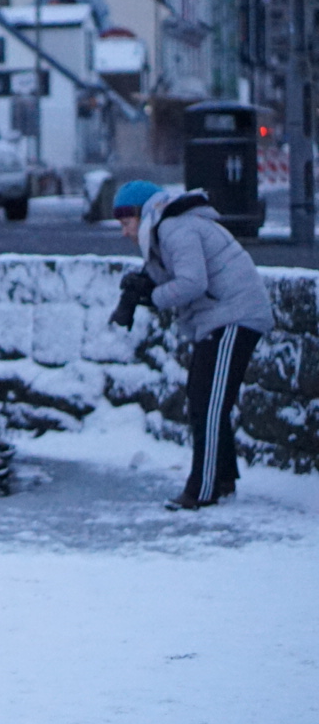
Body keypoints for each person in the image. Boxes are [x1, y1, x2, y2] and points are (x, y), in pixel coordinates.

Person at [110, 179, 274, 510]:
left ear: (143, 215)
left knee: (210, 402)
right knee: (201, 398)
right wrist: (142, 285)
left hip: (236, 315)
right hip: (219, 317)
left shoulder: (174, 229)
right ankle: (223, 479)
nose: (124, 232)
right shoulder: (166, 232)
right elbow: (177, 275)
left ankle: (203, 489)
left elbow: (192, 282)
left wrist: (153, 296)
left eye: (126, 223)